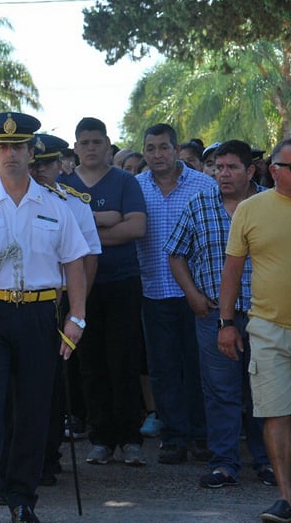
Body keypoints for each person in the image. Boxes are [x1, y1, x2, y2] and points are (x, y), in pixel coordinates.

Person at [0, 112, 89, 523]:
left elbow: (75, 263)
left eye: (17, 147)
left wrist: (78, 318)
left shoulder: (56, 203)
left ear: (32, 152)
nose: (9, 154)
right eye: (2, 147)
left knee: (34, 406)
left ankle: (22, 496)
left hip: (38, 313)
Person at [165, 140, 271, 489]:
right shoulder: (199, 204)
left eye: (231, 168)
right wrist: (193, 295)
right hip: (214, 315)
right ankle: (224, 464)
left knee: (264, 390)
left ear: (250, 170)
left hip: (266, 315)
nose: (222, 174)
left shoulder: (271, 205)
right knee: (220, 391)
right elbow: (176, 254)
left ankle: (267, 461)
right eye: (217, 167)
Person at [59, 117, 147, 466]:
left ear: (108, 145)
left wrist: (85, 236)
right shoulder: (63, 183)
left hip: (122, 281)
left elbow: (137, 226)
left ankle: (130, 437)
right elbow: (60, 234)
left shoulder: (125, 181)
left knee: (123, 360)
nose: (92, 148)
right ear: (76, 146)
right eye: (85, 142)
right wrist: (108, 217)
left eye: (98, 142)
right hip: (79, 286)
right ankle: (101, 437)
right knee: (89, 361)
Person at [135, 123, 217, 464]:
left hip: (195, 293)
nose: (157, 155)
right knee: (164, 369)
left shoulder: (204, 184)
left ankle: (201, 435)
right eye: (150, 149)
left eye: (163, 148)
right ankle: (173, 437)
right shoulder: (135, 187)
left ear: (176, 148)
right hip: (153, 290)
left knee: (199, 366)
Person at [219, 138, 291, 523]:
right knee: (276, 414)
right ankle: (286, 497)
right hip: (267, 328)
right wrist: (227, 323)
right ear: (274, 170)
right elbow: (231, 272)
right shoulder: (250, 210)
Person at [29, 133, 103, 476]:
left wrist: (78, 307)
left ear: (61, 164)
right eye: (35, 164)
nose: (41, 171)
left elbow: (88, 258)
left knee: (55, 383)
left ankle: (47, 455)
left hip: (63, 300)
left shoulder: (74, 203)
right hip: (28, 299)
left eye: (47, 163)